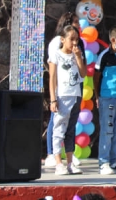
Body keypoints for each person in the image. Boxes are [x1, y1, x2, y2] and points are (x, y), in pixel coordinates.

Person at [45, 11, 86, 168]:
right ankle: (54, 156)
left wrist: (78, 57)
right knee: (57, 125)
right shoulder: (57, 45)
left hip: (75, 91)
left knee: (70, 127)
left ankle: (69, 159)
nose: (79, 25)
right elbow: (53, 74)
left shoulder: (78, 48)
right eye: (76, 22)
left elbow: (83, 73)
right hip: (62, 93)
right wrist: (53, 98)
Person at [94, 24, 116, 175]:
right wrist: (98, 96)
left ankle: (114, 162)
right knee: (107, 131)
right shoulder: (104, 56)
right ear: (114, 39)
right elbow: (96, 77)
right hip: (107, 98)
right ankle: (103, 163)